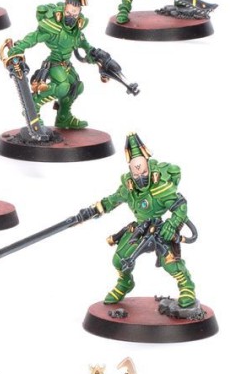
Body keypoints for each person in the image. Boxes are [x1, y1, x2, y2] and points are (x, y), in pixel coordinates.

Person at [82, 132, 197, 308]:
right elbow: (112, 201)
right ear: (131, 172)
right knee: (120, 259)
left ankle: (187, 287)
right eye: (136, 174)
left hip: (159, 229)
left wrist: (171, 224)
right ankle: (125, 283)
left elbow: (180, 206)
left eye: (143, 172)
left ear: (148, 167)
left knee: (170, 263)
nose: (141, 177)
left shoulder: (160, 186)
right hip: (140, 229)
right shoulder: (128, 188)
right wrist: (92, 211)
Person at [5, 0, 100, 130]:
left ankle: (63, 117)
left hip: (67, 65)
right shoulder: (54, 28)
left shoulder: (77, 31)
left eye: (74, 13)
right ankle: (33, 106)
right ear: (63, 10)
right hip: (54, 64)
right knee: (62, 86)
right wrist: (18, 48)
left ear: (79, 13)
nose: (71, 16)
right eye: (68, 12)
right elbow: (34, 37)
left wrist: (96, 57)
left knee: (76, 86)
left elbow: (86, 46)